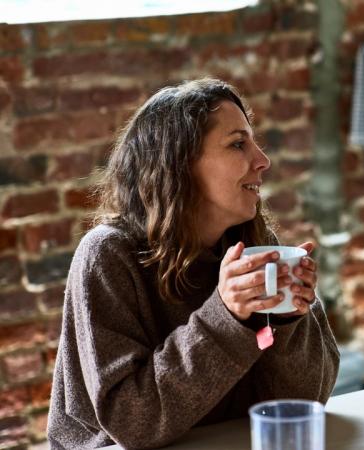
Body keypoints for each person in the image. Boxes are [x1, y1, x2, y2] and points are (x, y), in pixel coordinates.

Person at [47, 79, 340, 449]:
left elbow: (305, 404)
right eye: (238, 144)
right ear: (179, 164)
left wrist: (285, 319)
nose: (262, 160)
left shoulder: (252, 247)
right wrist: (227, 317)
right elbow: (132, 423)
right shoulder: (107, 256)